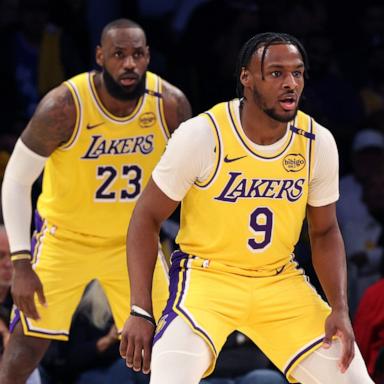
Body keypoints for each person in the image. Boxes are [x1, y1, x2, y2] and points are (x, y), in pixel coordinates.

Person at [119, 32, 373, 384]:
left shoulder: (317, 142)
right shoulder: (203, 135)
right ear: (246, 78)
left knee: (355, 380)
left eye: (297, 73)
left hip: (279, 279)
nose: (290, 84)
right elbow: (145, 217)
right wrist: (140, 309)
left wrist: (340, 309)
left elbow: (325, 230)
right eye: (276, 73)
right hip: (207, 280)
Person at [0, 18, 191, 384]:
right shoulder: (64, 106)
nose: (129, 64)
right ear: (100, 56)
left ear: (148, 56)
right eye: (119, 55)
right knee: (26, 347)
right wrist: (21, 262)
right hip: (65, 239)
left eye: (137, 54)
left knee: (169, 346)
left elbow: (195, 180)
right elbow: (16, 180)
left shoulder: (170, 105)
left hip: (133, 243)